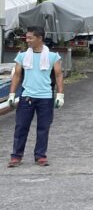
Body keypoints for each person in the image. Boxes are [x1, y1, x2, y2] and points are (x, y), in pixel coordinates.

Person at [7, 26, 64, 167]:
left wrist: (60, 94)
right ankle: (16, 156)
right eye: (26, 38)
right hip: (27, 96)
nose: (27, 40)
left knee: (43, 128)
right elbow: (17, 75)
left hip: (45, 97)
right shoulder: (22, 56)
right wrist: (12, 94)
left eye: (30, 38)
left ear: (39, 38)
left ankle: (40, 156)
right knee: (21, 127)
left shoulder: (53, 56)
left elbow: (58, 75)